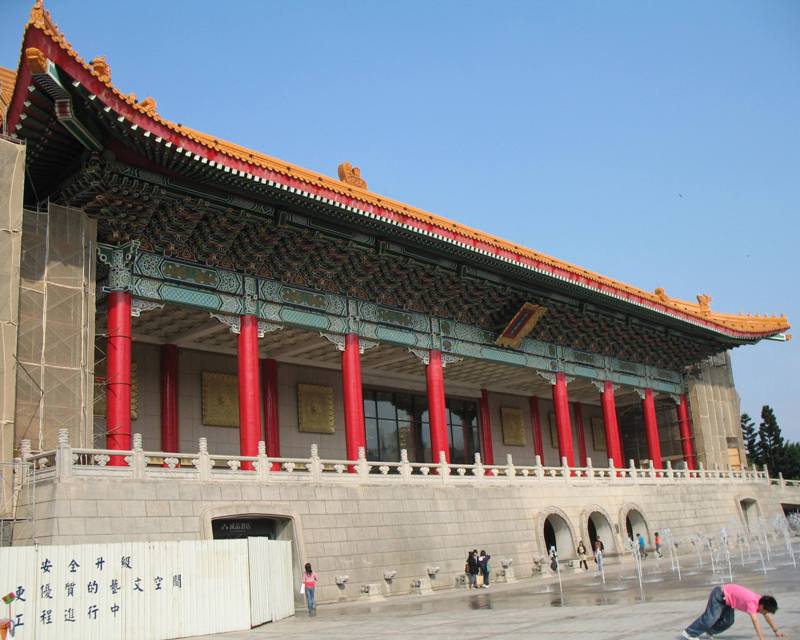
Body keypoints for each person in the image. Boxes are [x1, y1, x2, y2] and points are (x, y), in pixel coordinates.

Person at [682, 583, 783, 639]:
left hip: (729, 601)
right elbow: (755, 621)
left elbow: (767, 616)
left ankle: (710, 631)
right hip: (720, 595)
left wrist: (776, 631)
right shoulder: (752, 602)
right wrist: (762, 638)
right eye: (765, 611)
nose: (765, 614)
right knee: (711, 618)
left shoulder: (761, 600)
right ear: (762, 607)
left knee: (729, 621)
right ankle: (689, 633)